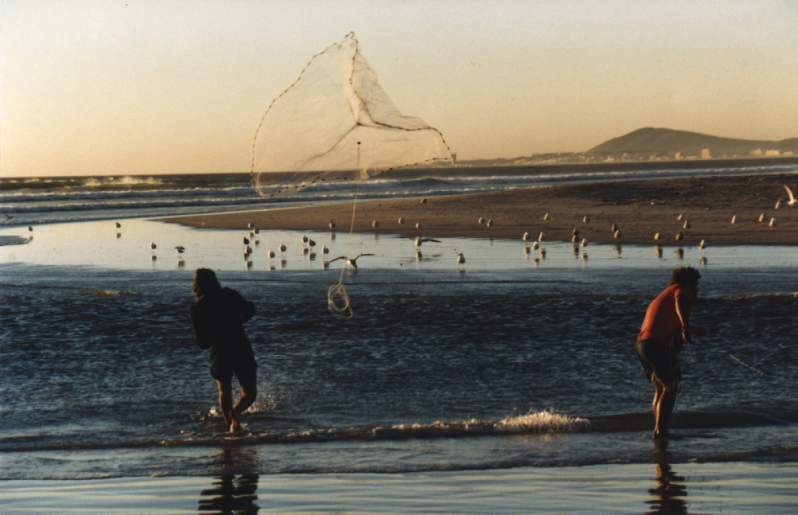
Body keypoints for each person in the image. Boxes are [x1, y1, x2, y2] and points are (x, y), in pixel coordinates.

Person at [636, 267, 704, 439]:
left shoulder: (665, 295)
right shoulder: (678, 291)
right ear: (686, 284)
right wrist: (686, 327)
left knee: (661, 388)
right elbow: (679, 301)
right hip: (653, 344)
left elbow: (670, 330)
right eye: (695, 286)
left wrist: (691, 330)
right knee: (670, 386)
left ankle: (659, 429)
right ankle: (660, 430)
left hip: (643, 345)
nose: (697, 290)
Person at [191, 268, 257, 433]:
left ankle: (230, 426)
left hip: (219, 350)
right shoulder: (230, 295)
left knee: (224, 391)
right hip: (240, 345)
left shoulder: (199, 307)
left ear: (197, 285)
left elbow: (202, 343)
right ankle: (236, 413)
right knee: (250, 392)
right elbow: (251, 310)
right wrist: (239, 319)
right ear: (215, 280)